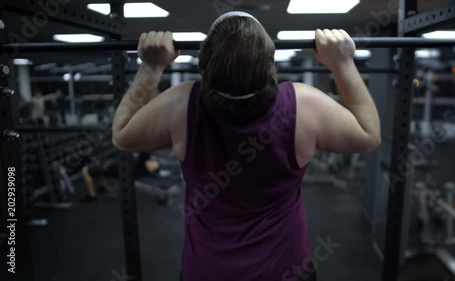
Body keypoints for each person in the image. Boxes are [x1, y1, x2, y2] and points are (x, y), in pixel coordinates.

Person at [112, 11, 381, 281]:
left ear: (204, 66)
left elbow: (122, 134)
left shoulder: (181, 104)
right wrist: (342, 62)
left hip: (207, 272)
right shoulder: (303, 104)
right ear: (269, 66)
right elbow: (369, 135)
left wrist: (151, 66)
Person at [80, 153, 161, 202]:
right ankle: (103, 187)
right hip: (112, 166)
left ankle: (91, 195)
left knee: (85, 171)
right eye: (153, 162)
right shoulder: (143, 167)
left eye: (153, 167)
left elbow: (145, 151)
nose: (151, 163)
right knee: (98, 164)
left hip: (111, 169)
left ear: (151, 171)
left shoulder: (141, 166)